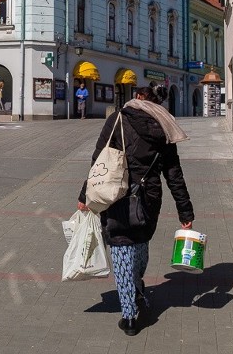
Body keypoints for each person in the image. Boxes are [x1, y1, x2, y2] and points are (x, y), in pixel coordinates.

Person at [78, 86, 194, 336]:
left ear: (139, 98)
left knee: (120, 246)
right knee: (140, 243)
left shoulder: (118, 118)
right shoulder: (165, 124)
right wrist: (185, 212)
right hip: (149, 198)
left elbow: (99, 160)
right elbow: (174, 174)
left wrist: (84, 195)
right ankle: (136, 285)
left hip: (116, 194)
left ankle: (129, 316)